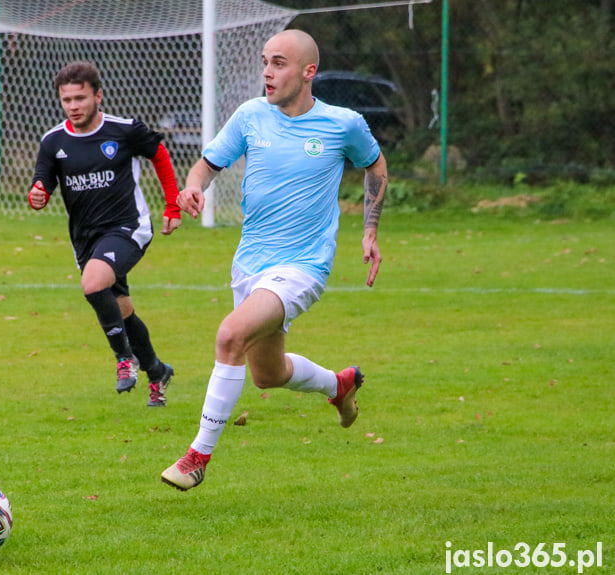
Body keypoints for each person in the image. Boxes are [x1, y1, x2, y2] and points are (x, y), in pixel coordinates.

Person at [160, 29, 388, 491]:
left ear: (308, 72)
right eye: (265, 61)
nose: (267, 71)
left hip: (303, 266)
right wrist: (192, 188)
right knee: (267, 374)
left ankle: (196, 457)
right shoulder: (250, 116)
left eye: (279, 62)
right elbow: (206, 165)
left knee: (230, 334)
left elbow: (376, 167)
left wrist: (369, 229)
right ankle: (338, 386)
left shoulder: (343, 124)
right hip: (250, 264)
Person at [28, 61, 181, 407]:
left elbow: (159, 153)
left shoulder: (123, 130)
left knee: (93, 284)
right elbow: (42, 183)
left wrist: (172, 206)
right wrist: (37, 194)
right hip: (86, 239)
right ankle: (157, 372)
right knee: (122, 309)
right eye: (66, 100)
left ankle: (124, 359)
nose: (73, 106)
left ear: (98, 96)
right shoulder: (53, 141)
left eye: (80, 98)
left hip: (129, 227)